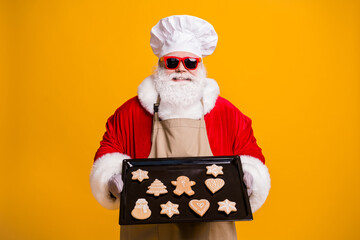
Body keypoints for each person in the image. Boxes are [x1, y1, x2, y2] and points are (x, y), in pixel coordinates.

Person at [90, 15, 270, 240]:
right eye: (172, 62)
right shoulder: (131, 112)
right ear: (160, 65)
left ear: (200, 66)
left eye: (190, 62)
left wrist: (249, 177)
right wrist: (111, 178)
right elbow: (109, 149)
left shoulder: (226, 113)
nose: (181, 69)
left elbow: (250, 151)